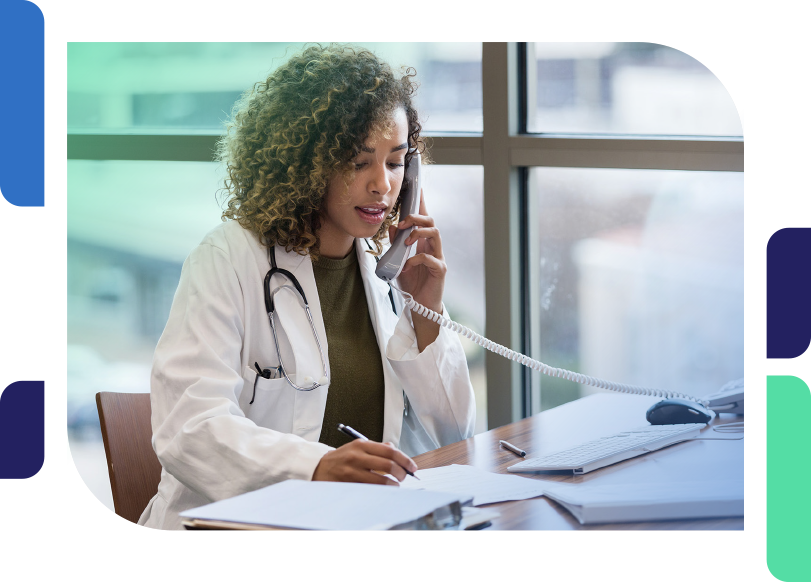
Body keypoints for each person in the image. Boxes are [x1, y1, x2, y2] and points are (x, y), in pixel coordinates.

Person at [138, 43, 476, 530]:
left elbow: (455, 433)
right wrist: (313, 466)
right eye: (359, 162)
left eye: (397, 162)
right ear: (304, 163)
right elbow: (190, 428)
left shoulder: (386, 272)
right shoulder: (228, 258)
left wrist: (426, 312)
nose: (383, 185)